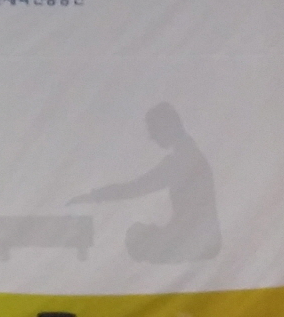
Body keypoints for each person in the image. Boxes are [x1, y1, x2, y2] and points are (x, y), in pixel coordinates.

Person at [69, 103, 221, 263]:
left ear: (168, 127)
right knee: (138, 235)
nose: (152, 137)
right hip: (204, 239)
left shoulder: (180, 161)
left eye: (154, 130)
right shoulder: (189, 153)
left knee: (135, 238)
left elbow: (135, 188)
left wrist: (95, 196)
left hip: (197, 242)